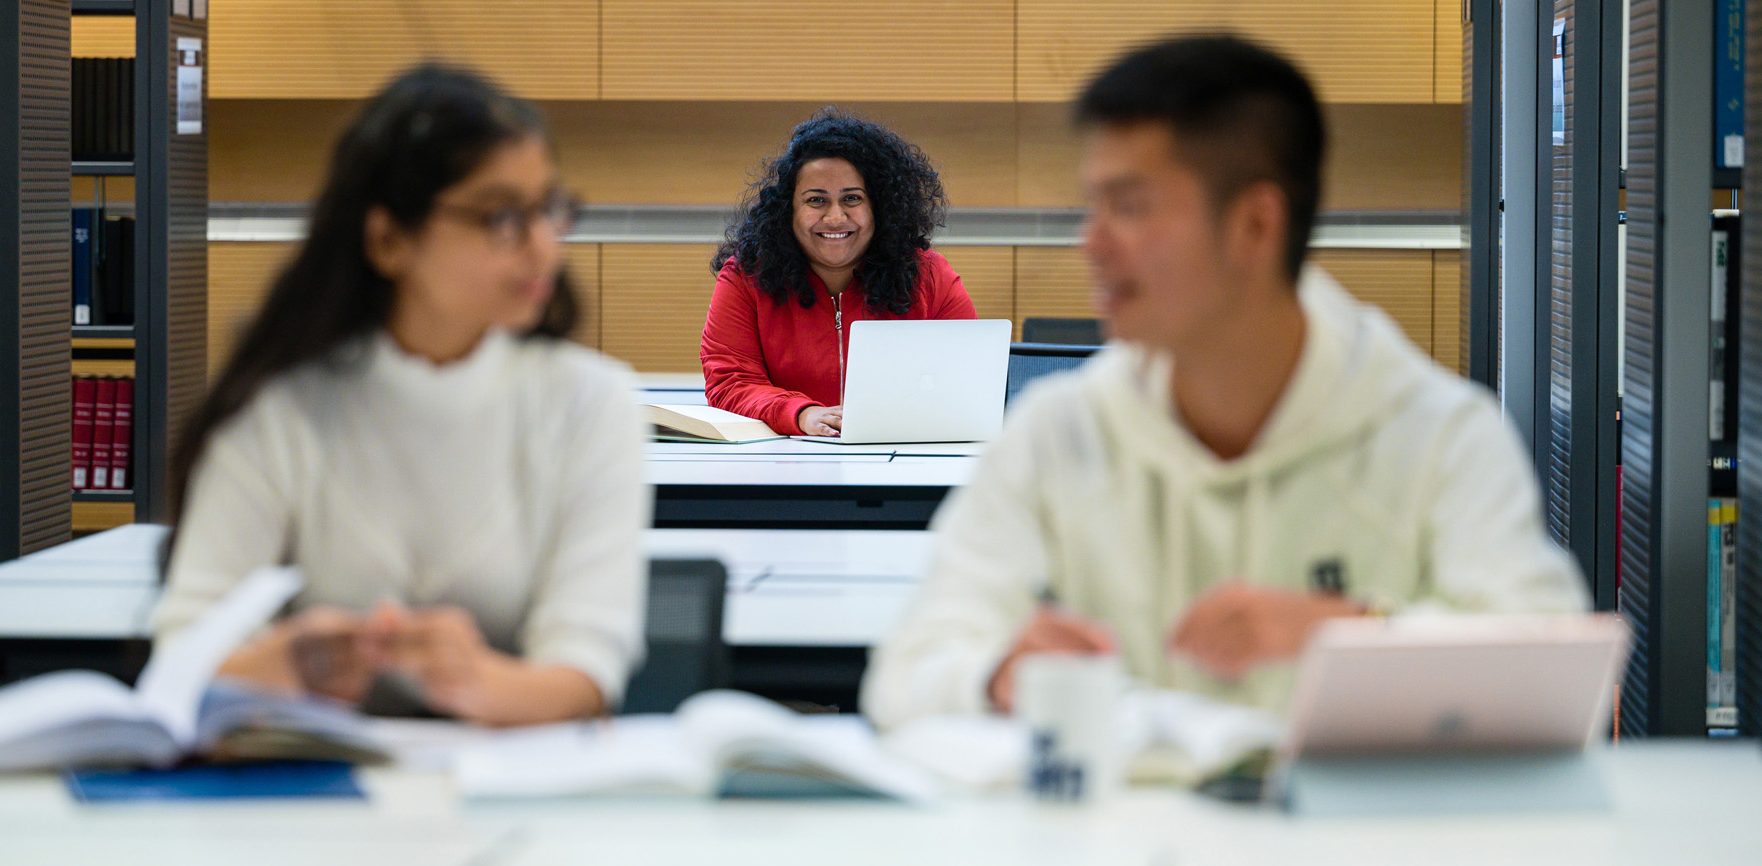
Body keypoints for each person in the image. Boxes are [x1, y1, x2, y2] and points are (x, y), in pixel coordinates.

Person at [861, 36, 1590, 727]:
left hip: (1352, 853)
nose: (1093, 242)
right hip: (1112, 852)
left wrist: (1351, 630)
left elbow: (1557, 678)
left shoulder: (1437, 432)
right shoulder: (1059, 431)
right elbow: (903, 677)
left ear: (1254, 225)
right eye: (1094, 205)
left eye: (1131, 206)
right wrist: (995, 674)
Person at [150, 65, 648, 727]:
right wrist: (287, 663)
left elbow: (586, 678)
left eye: (548, 210)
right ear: (389, 239)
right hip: (308, 803)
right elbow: (183, 658)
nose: (542, 247)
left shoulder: (593, 403)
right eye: (501, 216)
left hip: (518, 800)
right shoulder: (280, 408)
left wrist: (476, 682)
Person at [701, 109, 978, 437]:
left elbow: (970, 381)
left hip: (900, 463)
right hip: (783, 465)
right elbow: (731, 382)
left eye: (852, 198)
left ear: (880, 207)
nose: (835, 217)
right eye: (816, 200)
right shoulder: (745, 278)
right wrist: (802, 414)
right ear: (788, 210)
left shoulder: (930, 278)